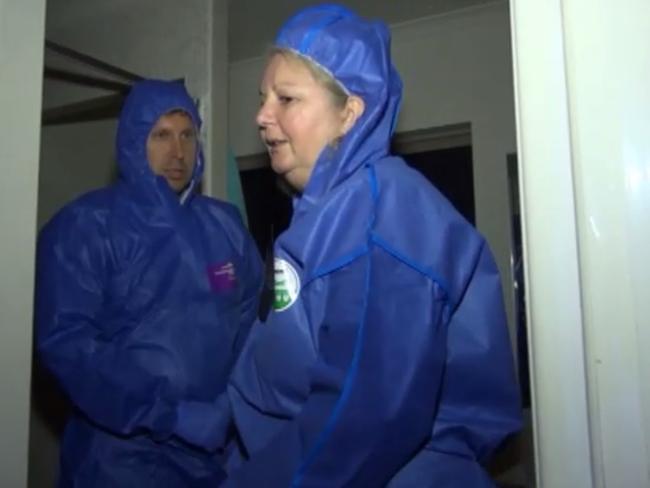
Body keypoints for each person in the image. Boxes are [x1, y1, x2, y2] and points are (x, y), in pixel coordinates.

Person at [224, 4, 522, 487]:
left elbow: (363, 416)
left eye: (286, 98)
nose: (261, 115)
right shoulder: (328, 213)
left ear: (349, 113)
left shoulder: (381, 218)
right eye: (263, 98)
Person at [35, 79, 263, 487]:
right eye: (160, 135)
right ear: (132, 141)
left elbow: (250, 321)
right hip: (119, 461)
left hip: (212, 458)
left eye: (187, 135)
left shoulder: (224, 225)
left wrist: (236, 401)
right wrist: (166, 415)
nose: (177, 152)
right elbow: (68, 343)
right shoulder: (86, 226)